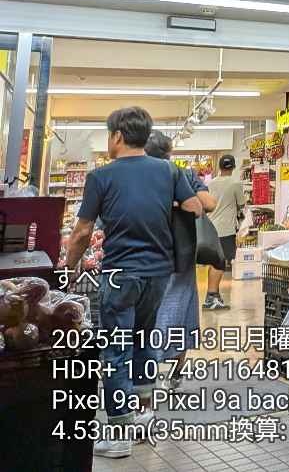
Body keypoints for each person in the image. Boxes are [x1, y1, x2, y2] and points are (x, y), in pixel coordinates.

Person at [63, 107, 204, 460]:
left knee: (115, 351)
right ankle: (143, 416)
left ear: (117, 136)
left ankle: (118, 434)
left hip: (120, 274)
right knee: (143, 341)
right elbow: (196, 207)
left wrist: (68, 266)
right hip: (159, 274)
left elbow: (82, 232)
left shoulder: (101, 177)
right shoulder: (170, 171)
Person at [145, 131, 216, 388]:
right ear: (169, 153)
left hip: (147, 255)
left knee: (147, 315)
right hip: (181, 255)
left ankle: (146, 371)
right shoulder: (183, 174)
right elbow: (209, 203)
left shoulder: (139, 177)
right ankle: (175, 373)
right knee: (181, 311)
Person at [203, 153, 245, 310]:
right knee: (220, 263)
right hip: (225, 229)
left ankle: (214, 295)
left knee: (215, 261)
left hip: (210, 228)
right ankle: (211, 296)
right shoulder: (235, 183)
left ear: (219, 167)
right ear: (233, 167)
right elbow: (241, 204)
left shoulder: (211, 183)